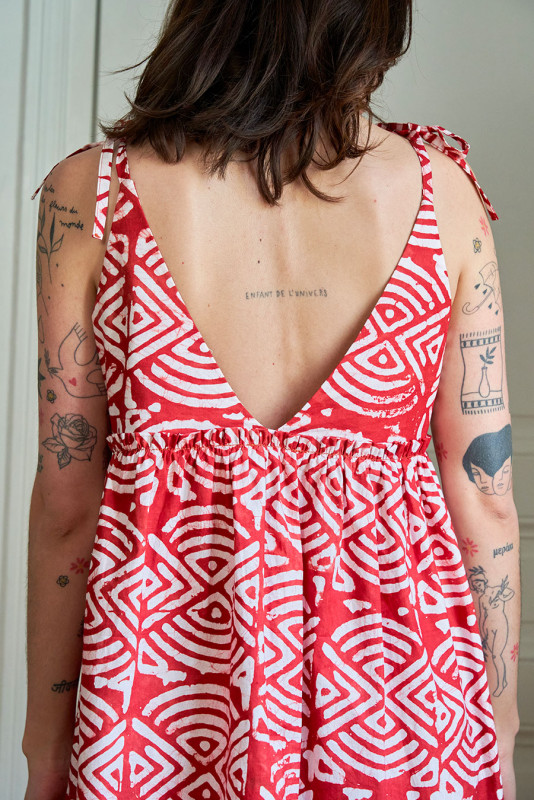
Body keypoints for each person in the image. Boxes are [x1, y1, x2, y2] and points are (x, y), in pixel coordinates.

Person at [22, 1, 521, 798]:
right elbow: (485, 495)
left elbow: (67, 503)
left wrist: (45, 743)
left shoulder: (92, 196)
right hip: (402, 698)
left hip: (159, 702)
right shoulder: (443, 198)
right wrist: (498, 716)